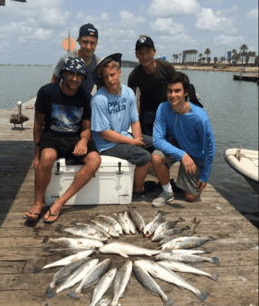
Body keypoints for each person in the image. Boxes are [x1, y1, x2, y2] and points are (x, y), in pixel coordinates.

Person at [24, 56, 101, 223]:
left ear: (83, 78)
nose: (74, 79)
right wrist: (36, 155)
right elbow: (38, 125)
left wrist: (82, 141)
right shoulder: (46, 92)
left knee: (95, 160)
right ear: (63, 73)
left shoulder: (85, 97)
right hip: (52, 136)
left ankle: (59, 203)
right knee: (47, 157)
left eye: (78, 75)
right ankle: (38, 203)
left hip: (75, 137)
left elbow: (87, 129)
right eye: (70, 74)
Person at [91, 53, 157, 194]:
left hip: (124, 135)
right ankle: (137, 188)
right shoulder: (99, 99)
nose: (110, 80)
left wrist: (137, 139)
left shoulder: (128, 92)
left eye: (113, 74)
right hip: (106, 145)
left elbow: (134, 120)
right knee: (145, 157)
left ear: (120, 73)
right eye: (106, 77)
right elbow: (104, 133)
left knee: (157, 144)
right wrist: (132, 142)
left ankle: (155, 178)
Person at [151, 71, 215, 207]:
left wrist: (205, 175)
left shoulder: (199, 117)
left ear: (185, 92)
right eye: (170, 91)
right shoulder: (163, 108)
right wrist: (182, 155)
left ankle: (184, 176)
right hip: (178, 148)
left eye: (177, 91)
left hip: (196, 155)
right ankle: (167, 192)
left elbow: (210, 147)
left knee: (191, 197)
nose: (173, 95)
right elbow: (157, 140)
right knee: (156, 158)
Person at [128, 35, 176, 137]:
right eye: (141, 53)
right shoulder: (134, 75)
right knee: (146, 136)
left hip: (166, 106)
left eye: (148, 52)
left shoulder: (166, 67)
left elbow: (178, 88)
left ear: (154, 52)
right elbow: (130, 100)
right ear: (136, 55)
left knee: (170, 136)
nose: (145, 56)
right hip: (147, 109)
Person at [51, 23, 100, 100]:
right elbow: (54, 82)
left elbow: (100, 88)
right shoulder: (65, 60)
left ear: (96, 43)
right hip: (65, 100)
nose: (88, 47)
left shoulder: (98, 63)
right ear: (79, 40)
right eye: (85, 42)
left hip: (85, 103)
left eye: (92, 43)